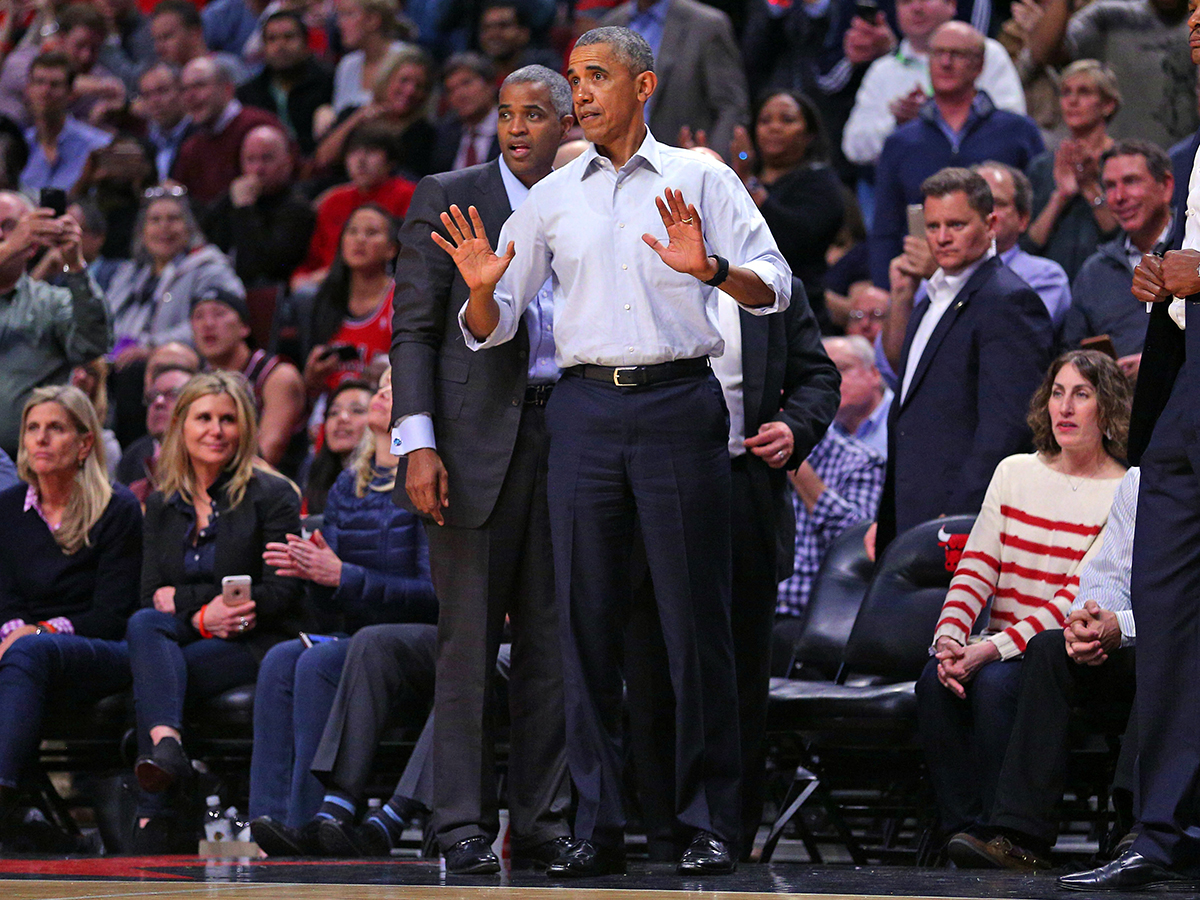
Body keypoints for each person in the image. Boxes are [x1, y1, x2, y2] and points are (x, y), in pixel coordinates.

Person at [440, 27, 791, 875]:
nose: (582, 93)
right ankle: (593, 828)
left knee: (691, 621)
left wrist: (711, 271)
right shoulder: (553, 194)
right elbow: (491, 331)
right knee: (582, 625)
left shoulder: (701, 176)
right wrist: (484, 294)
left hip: (679, 404)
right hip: (586, 408)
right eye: (575, 78)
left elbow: (773, 284)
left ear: (645, 86)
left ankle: (709, 821)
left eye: (596, 77)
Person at [390, 64, 574, 876]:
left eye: (536, 114)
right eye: (506, 114)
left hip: (572, 438)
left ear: (568, 123)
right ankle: (459, 822)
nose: (517, 127)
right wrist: (417, 442)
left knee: (554, 643)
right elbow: (413, 329)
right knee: (467, 643)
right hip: (467, 446)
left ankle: (541, 822)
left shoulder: (591, 195)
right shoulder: (448, 192)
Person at [1059, 1, 1200, 888]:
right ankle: (1160, 829)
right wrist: (1164, 282)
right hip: (1187, 393)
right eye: (1190, 19)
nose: (1195, 29)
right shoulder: (1195, 151)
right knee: (1174, 615)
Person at [917, 350, 1128, 846]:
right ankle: (961, 832)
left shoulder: (1123, 489)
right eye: (1058, 393)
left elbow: (1074, 597)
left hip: (1055, 653)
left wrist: (988, 651)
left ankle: (1003, 836)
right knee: (933, 680)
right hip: (993, 642)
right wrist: (950, 639)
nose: (1065, 408)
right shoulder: (1014, 472)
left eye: (1082, 394)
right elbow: (976, 566)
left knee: (996, 684)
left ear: (1109, 407)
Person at [248, 367, 435, 852]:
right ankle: (269, 820)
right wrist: (308, 574)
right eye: (382, 385)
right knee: (281, 660)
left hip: (418, 640)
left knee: (318, 662)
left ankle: (313, 818)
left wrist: (341, 575)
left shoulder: (428, 479)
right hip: (360, 636)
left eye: (397, 386)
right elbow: (332, 601)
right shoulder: (348, 485)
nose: (382, 394)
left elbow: (437, 594)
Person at [124, 371, 302, 853]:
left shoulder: (272, 494)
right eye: (204, 418)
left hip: (258, 642)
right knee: (143, 627)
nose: (216, 430)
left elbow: (281, 594)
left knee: (153, 681)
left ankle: (155, 810)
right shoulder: (161, 504)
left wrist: (182, 602)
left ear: (245, 428)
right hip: (191, 638)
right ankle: (169, 757)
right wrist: (202, 616)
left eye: (228, 419)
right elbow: (147, 601)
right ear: (181, 426)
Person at [948, 465, 1139, 872]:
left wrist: (1120, 627)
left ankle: (1143, 827)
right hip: (1128, 642)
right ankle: (1021, 838)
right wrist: (1086, 622)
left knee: (1170, 657)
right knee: (1051, 648)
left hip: (1174, 645)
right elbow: (1107, 573)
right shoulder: (1141, 480)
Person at [874, 167, 1053, 553]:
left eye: (956, 224)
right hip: (911, 508)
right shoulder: (929, 300)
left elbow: (1008, 426)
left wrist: (963, 510)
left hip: (961, 518)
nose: (941, 238)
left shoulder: (1008, 301)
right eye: (933, 225)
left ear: (991, 224)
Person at [0, 386, 141, 851]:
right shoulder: (7, 509)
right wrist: (16, 633)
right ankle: (23, 815)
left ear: (84, 444)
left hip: (102, 651)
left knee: (28, 648)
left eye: (55, 428)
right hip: (25, 651)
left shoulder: (116, 508)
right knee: (23, 651)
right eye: (33, 429)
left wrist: (34, 632)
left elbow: (111, 613)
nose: (40, 439)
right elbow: (6, 601)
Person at [868, 22, 1044, 286]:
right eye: (937, 54)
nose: (945, 63)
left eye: (957, 54)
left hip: (1004, 279)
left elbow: (1036, 212)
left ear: (980, 65)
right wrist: (885, 288)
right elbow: (885, 228)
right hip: (919, 286)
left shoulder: (1018, 131)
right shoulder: (900, 142)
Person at [842, 0, 1025, 168]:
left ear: (952, 4)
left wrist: (939, 117)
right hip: (908, 186)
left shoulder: (986, 54)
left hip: (979, 176)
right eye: (906, 1)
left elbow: (1015, 124)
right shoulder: (883, 70)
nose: (916, 8)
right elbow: (854, 149)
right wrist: (898, 124)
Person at [0, 191, 109, 461]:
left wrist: (75, 264)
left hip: (31, 467)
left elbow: (93, 345)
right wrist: (11, 247)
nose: (2, 235)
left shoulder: (51, 303)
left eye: (9, 226)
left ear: (33, 244)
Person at [1064, 141, 1176, 382]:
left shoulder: (1193, 254)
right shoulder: (1095, 272)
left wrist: (1157, 362)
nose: (1119, 197)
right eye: (1110, 186)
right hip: (1119, 409)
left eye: (1131, 181)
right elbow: (1071, 357)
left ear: (1166, 186)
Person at [727, 91, 845, 318]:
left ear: (809, 134)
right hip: (741, 308)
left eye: (787, 120)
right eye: (765, 121)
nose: (774, 127)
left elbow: (796, 237)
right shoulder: (736, 182)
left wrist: (748, 182)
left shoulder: (820, 181)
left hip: (799, 308)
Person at [105, 188, 245, 372]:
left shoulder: (209, 267)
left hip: (180, 364)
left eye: (173, 219)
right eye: (155, 220)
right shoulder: (128, 273)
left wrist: (152, 346)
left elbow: (222, 323)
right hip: (118, 360)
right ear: (142, 231)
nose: (164, 227)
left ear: (189, 227)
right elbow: (104, 318)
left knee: (135, 369)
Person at [1025, 0, 1196, 150]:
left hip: (1191, 160)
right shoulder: (1109, 16)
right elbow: (1042, 53)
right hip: (1117, 167)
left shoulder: (1196, 21)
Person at [600, 0, 749, 158]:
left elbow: (731, 106)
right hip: (616, 163)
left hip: (683, 164)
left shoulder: (707, 25)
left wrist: (714, 164)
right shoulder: (610, 24)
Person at [190, 287, 307, 473]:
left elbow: (267, 454)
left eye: (219, 314)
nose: (208, 324)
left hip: (271, 488)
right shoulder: (195, 382)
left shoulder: (277, 376)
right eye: (198, 317)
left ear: (244, 327)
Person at [1024, 60, 1122, 281]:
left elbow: (1124, 237)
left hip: (1107, 283)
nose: (1072, 101)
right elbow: (1028, 244)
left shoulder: (1124, 163)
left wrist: (1089, 187)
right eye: (1066, 93)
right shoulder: (1041, 167)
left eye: (1084, 92)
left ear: (1108, 105)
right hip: (1047, 283)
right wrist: (1060, 197)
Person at [294, 123, 416, 288]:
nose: (360, 161)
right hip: (327, 284)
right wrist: (300, 278)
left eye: (371, 152)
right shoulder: (333, 201)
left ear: (391, 161)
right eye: (353, 153)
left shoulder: (409, 195)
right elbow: (313, 260)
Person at [201, 124, 316, 290]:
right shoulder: (232, 199)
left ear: (288, 162)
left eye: (267, 159)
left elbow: (258, 269)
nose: (257, 169)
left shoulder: (297, 209)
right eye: (251, 160)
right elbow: (205, 237)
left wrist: (244, 210)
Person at [302, 204, 398, 399]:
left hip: (381, 409)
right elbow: (310, 389)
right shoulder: (324, 298)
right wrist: (312, 377)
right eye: (352, 231)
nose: (360, 239)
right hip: (332, 411)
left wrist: (392, 372)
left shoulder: (402, 296)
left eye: (371, 233)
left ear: (391, 249)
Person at [170, 57, 283, 210]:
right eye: (184, 89)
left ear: (227, 89)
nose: (190, 96)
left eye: (199, 86)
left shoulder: (258, 126)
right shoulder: (190, 147)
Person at [311, 45, 436, 180]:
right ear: (386, 79)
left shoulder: (423, 132)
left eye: (420, 86)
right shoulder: (353, 114)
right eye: (404, 80)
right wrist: (358, 119)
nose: (410, 91)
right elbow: (323, 160)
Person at [973, 161, 1071, 327]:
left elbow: (1014, 337)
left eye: (997, 203)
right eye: (977, 202)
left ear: (1023, 219)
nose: (987, 212)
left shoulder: (1045, 277)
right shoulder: (935, 277)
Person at [236, 10, 334, 157]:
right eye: (272, 39)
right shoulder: (248, 93)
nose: (280, 45)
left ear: (306, 42)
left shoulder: (329, 81)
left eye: (289, 37)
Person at [19, 51, 113, 195]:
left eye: (55, 85)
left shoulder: (98, 145)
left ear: (70, 93)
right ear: (28, 90)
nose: (45, 91)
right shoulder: (19, 145)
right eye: (39, 82)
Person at [116, 364, 196, 500]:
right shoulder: (132, 457)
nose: (158, 402)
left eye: (173, 395)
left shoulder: (206, 459)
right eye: (153, 396)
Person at [301, 380, 372, 515]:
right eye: (334, 412)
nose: (342, 418)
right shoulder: (312, 474)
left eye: (357, 411)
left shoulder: (387, 481)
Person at [329, 0, 409, 114]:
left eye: (348, 14)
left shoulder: (406, 61)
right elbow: (338, 115)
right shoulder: (347, 64)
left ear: (372, 20)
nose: (339, 24)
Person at [430, 53, 501, 174]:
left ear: (490, 85)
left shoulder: (514, 128)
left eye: (466, 83)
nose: (460, 95)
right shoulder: (444, 137)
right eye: (451, 90)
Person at [826, 334, 891, 458]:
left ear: (874, 373)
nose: (829, 381)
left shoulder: (907, 417)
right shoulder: (820, 433)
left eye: (840, 369)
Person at [477, 1, 561, 83]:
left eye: (503, 26)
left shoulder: (547, 72)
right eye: (486, 28)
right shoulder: (476, 75)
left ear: (524, 33)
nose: (493, 34)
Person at [136, 63, 191, 182]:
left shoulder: (202, 134)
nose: (154, 101)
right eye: (147, 95)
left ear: (181, 91)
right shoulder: (144, 144)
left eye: (162, 91)